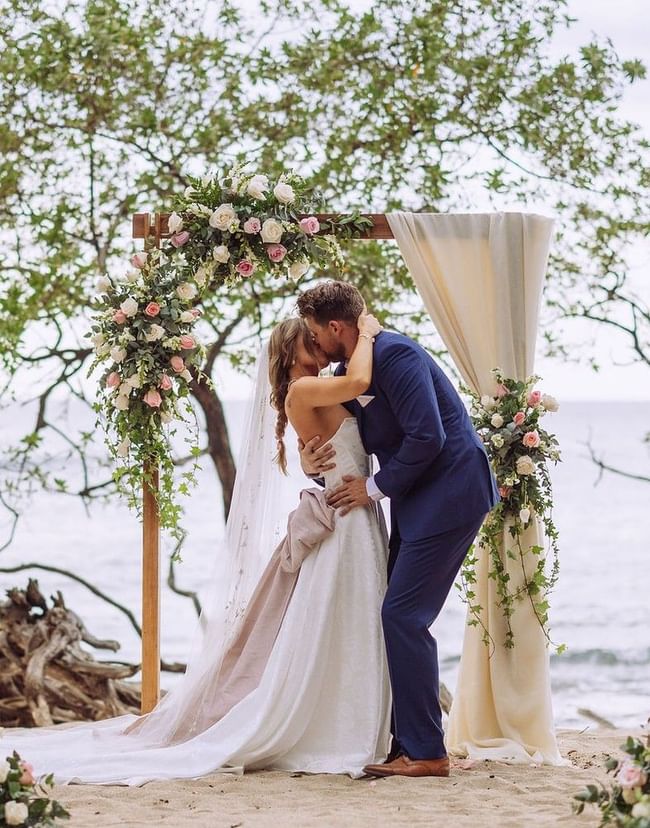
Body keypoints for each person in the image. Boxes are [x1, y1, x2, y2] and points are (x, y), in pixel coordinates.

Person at [0, 313, 392, 784]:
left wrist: (312, 463)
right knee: (348, 621)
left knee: (351, 624)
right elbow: (361, 380)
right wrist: (366, 332)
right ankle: (342, 732)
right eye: (310, 342)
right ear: (290, 354)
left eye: (317, 337)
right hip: (346, 521)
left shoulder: (313, 390)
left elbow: (337, 434)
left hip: (356, 515)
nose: (320, 346)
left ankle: (354, 725)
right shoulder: (304, 390)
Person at [297, 281, 499, 779]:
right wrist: (310, 461)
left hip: (451, 492)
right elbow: (344, 439)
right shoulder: (350, 371)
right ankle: (402, 742)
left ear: (335, 327)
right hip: (415, 502)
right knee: (392, 613)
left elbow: (428, 436)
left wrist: (373, 488)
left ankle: (427, 752)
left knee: (403, 616)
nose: (313, 343)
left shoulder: (397, 354)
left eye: (313, 332)